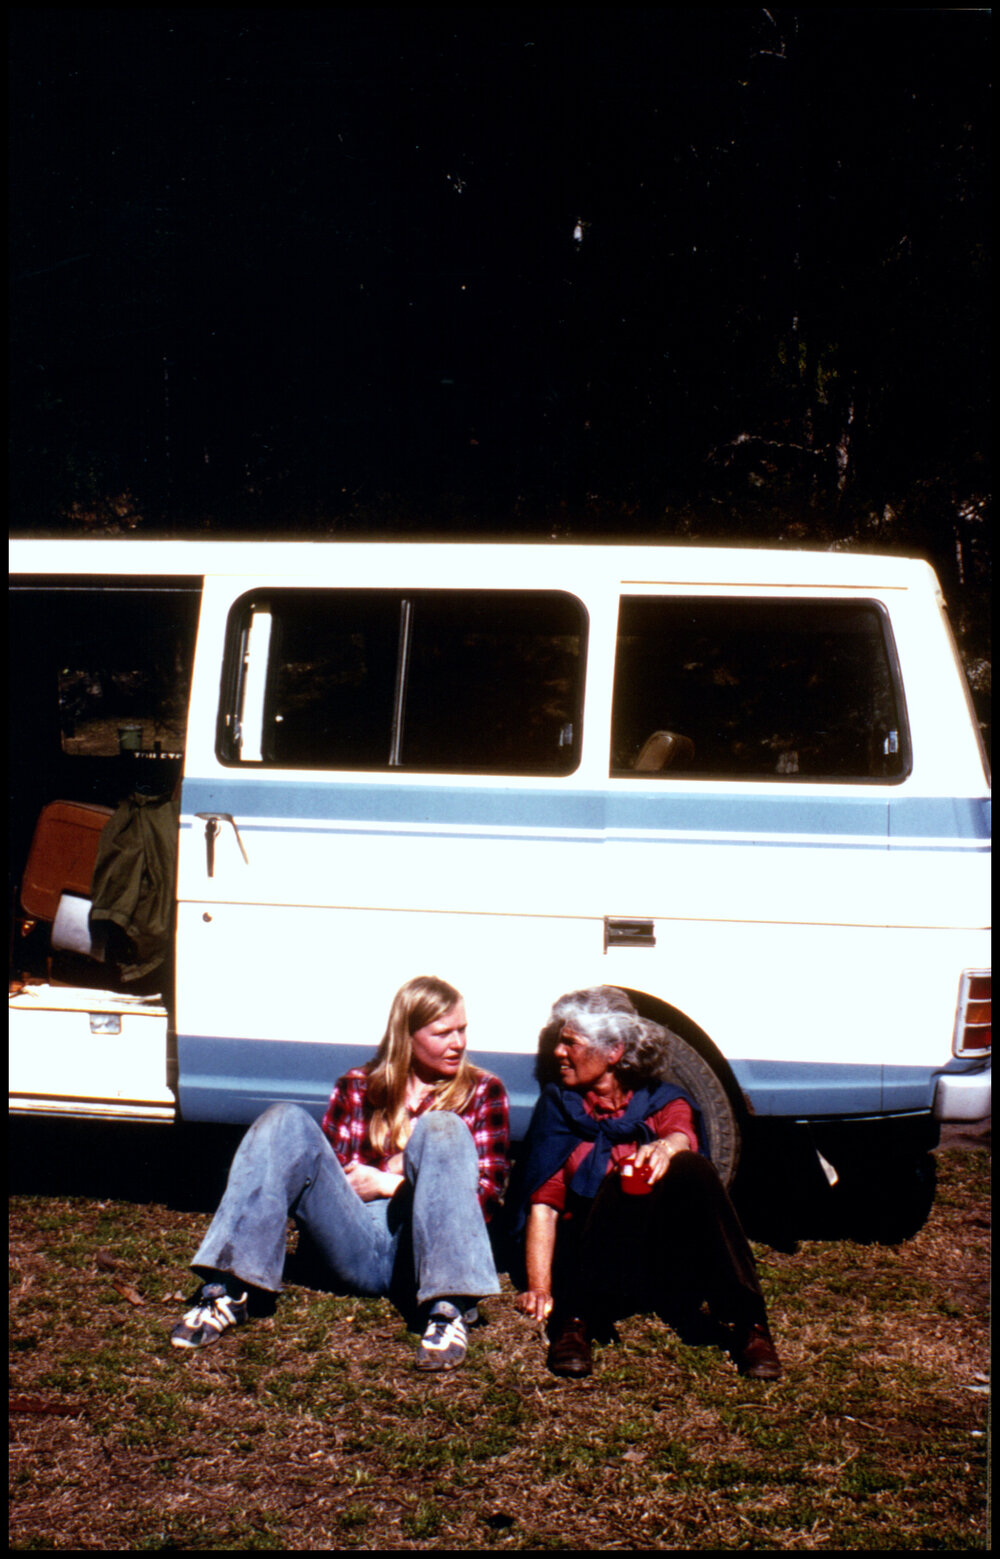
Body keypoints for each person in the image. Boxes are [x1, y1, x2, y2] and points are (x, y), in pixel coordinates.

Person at [170, 976, 509, 1372]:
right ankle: (229, 1290)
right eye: (443, 1033)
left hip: (421, 1259)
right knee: (283, 1120)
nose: (459, 1043)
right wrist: (414, 1172)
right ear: (407, 1035)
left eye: (462, 1030)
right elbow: (337, 1182)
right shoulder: (357, 1086)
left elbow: (482, 1201)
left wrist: (390, 1182)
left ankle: (448, 1311)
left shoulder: (483, 1090)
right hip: (353, 1243)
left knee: (443, 1128)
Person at [513, 986, 782, 1381]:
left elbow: (681, 1132)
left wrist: (667, 1147)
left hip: (656, 1262)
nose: (558, 1052)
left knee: (693, 1168)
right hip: (590, 1262)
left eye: (571, 1042)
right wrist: (539, 1288)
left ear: (614, 1052)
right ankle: (573, 1322)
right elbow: (544, 1205)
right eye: (558, 1040)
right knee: (619, 1181)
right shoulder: (559, 1107)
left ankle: (751, 1325)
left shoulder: (663, 1100)